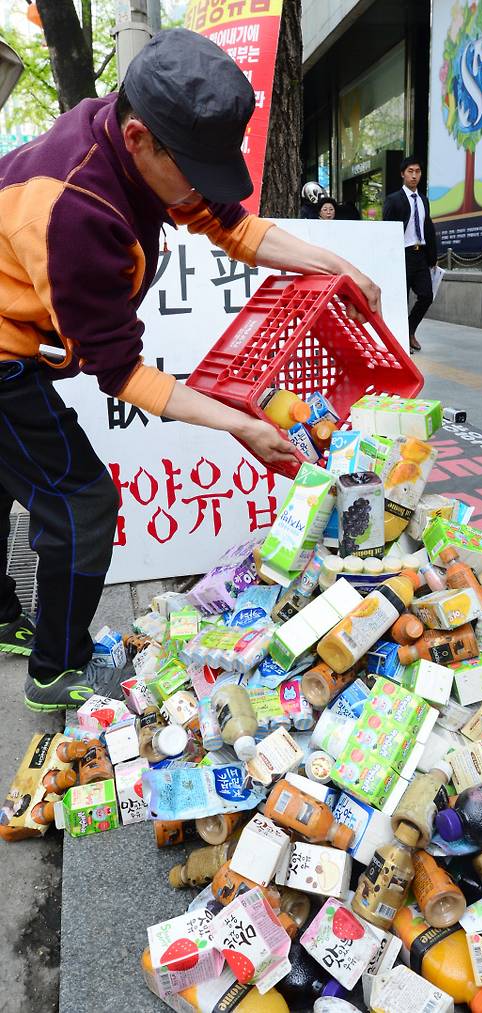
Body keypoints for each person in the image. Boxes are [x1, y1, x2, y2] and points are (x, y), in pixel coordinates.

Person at [0, 29, 381, 711]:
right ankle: (57, 669)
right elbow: (121, 373)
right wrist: (241, 422)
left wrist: (337, 264)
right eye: (196, 170)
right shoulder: (76, 212)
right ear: (141, 135)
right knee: (83, 504)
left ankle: (2, 617)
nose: (202, 191)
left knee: (6, 475)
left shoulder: (126, 139)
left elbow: (233, 226)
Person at [383, 157, 437, 352]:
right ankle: (399, 341)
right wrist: (389, 258)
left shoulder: (423, 200)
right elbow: (387, 231)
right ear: (402, 174)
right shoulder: (393, 199)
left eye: (418, 171)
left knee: (426, 296)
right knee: (401, 300)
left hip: (420, 255)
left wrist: (433, 257)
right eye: (410, 171)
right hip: (401, 256)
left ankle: (409, 330)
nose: (414, 175)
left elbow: (428, 228)